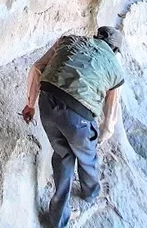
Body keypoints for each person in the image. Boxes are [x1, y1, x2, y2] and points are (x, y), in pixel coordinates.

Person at [21, 26, 125, 228]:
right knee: (88, 157)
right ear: (115, 50)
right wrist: (100, 137)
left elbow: (36, 67)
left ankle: (58, 220)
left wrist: (30, 104)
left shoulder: (68, 40)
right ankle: (90, 193)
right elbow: (110, 116)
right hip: (78, 117)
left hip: (48, 102)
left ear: (96, 37)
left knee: (62, 155)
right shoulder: (116, 69)